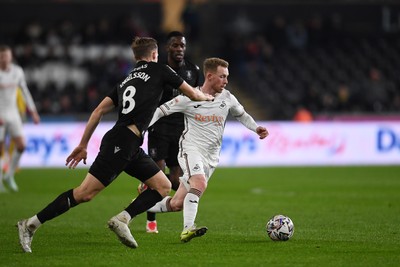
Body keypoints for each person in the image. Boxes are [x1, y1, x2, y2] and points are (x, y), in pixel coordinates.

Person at [17, 36, 213, 253]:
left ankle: (122, 219)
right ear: (155, 54)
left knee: (163, 186)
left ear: (135, 56)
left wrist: (83, 144)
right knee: (84, 194)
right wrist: (208, 98)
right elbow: (194, 93)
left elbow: (98, 111)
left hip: (129, 143)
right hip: (122, 142)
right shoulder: (161, 70)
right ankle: (30, 224)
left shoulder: (126, 79)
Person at [146, 57, 268, 243]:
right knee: (200, 184)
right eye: (222, 76)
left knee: (178, 203)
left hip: (211, 157)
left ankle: (142, 205)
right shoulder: (189, 96)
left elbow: (241, 114)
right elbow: (161, 110)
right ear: (209, 76)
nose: (226, 81)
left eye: (227, 77)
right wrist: (142, 127)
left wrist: (256, 128)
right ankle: (187, 229)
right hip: (190, 149)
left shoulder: (227, 98)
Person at [141, 31, 201, 234]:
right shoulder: (159, 71)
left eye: (182, 46)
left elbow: (197, 99)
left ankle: (148, 201)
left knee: (176, 180)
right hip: (159, 128)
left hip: (181, 130)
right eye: (175, 45)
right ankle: (151, 220)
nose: (179, 49)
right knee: (157, 178)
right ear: (167, 48)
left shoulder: (193, 70)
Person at [0, 45, 41, 193]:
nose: (5, 59)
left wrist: (33, 112)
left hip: (13, 114)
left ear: (10, 57)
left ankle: (9, 175)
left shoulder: (17, 72)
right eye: (2, 56)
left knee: (21, 146)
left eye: (7, 56)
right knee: (1, 149)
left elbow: (25, 91)